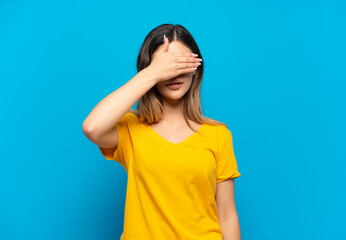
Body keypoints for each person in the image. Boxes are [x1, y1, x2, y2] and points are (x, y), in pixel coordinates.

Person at [82, 23, 242, 240]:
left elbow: (227, 215)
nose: (173, 73)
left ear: (196, 69)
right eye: (166, 65)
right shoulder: (131, 129)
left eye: (181, 64)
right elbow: (92, 128)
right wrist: (152, 73)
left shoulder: (218, 135)